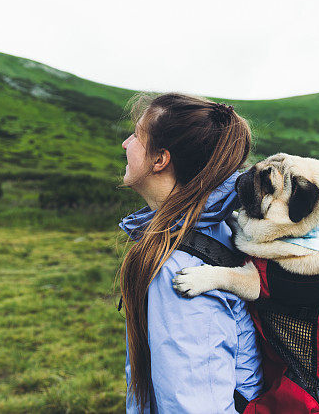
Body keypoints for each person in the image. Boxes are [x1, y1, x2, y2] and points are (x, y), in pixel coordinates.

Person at [117, 92, 264, 414]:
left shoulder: (180, 268)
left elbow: (196, 403)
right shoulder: (224, 224)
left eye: (138, 136)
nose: (126, 144)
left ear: (160, 160)